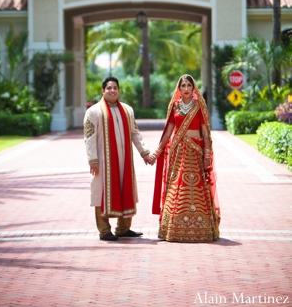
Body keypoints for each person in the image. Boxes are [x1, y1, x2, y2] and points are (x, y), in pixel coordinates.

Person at [151, 74, 220, 243]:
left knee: (199, 187)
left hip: (196, 153)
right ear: (179, 88)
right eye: (183, 85)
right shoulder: (174, 107)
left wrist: (207, 155)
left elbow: (205, 132)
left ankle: (202, 229)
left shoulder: (199, 106)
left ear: (193, 88)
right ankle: (174, 229)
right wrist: (156, 153)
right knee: (177, 186)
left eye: (189, 85)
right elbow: (168, 132)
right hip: (179, 153)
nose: (187, 88)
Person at [83, 76, 152, 241]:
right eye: (109, 88)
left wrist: (145, 153)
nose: (112, 90)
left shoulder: (128, 110)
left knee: (125, 189)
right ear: (103, 90)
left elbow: (135, 133)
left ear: (118, 90)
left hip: (124, 160)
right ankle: (104, 230)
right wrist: (93, 160)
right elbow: (89, 137)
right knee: (101, 192)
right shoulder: (93, 112)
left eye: (115, 88)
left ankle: (123, 228)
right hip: (103, 161)